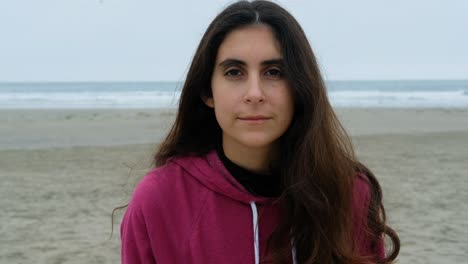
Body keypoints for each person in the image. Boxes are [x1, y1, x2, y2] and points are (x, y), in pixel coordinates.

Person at [120, 1, 400, 263]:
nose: (255, 94)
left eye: (274, 72)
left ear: (299, 88)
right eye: (234, 72)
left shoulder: (347, 193)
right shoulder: (160, 200)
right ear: (207, 91)